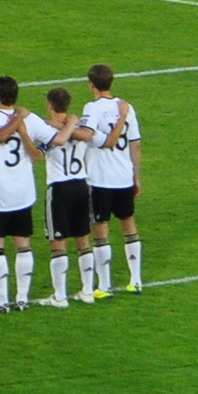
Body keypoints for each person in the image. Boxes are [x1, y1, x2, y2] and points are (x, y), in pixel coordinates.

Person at [0, 76, 58, 312]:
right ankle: (22, 298)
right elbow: (53, 140)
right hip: (23, 192)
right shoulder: (30, 119)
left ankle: (1, 301)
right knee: (23, 245)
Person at [80, 64, 142, 294]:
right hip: (124, 177)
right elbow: (136, 144)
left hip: (100, 179)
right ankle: (135, 280)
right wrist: (136, 177)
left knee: (101, 229)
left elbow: (98, 138)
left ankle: (104, 285)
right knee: (129, 225)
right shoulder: (127, 107)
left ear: (91, 85)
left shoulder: (91, 108)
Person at [39, 87, 98, 306]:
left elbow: (39, 151)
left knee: (58, 242)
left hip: (59, 188)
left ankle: (60, 296)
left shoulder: (45, 129)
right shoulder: (81, 127)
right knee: (83, 238)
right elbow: (85, 136)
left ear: (49, 105)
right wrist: (71, 122)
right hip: (82, 186)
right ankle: (87, 291)